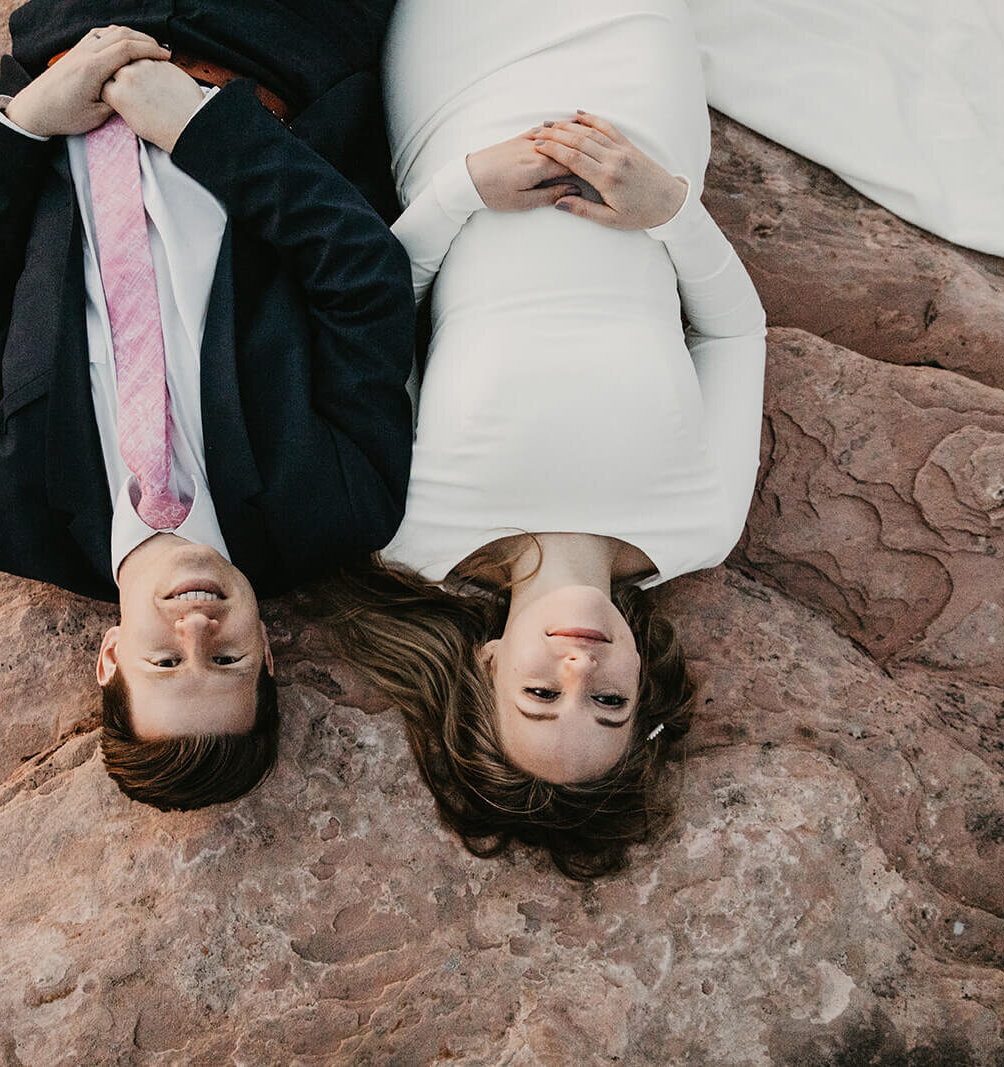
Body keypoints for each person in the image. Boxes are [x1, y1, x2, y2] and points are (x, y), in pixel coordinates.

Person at [0, 2, 414, 812]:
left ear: (111, 657)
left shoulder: (13, 517)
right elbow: (366, 282)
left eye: (165, 663)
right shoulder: (341, 507)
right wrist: (202, 129)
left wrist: (25, 124)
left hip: (78, 46)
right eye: (225, 663)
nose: (198, 632)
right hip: (271, 53)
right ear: (265, 654)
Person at [326, 0, 767, 878]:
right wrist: (669, 207)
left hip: (467, 118)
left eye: (540, 694)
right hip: (637, 120)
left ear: (488, 667)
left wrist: (464, 185)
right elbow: (735, 335)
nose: (580, 666)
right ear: (641, 679)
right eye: (607, 701)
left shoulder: (410, 531)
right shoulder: (698, 528)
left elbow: (376, 316)